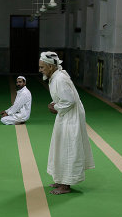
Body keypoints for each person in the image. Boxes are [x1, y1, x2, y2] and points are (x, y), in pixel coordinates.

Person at [39, 51, 94, 195]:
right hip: (66, 115)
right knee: (61, 147)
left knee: (68, 149)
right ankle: (60, 180)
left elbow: (69, 100)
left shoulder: (59, 79)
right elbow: (63, 97)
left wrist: (55, 107)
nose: (40, 70)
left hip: (71, 117)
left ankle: (65, 185)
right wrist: (55, 104)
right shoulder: (56, 76)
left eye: (42, 67)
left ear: (51, 67)